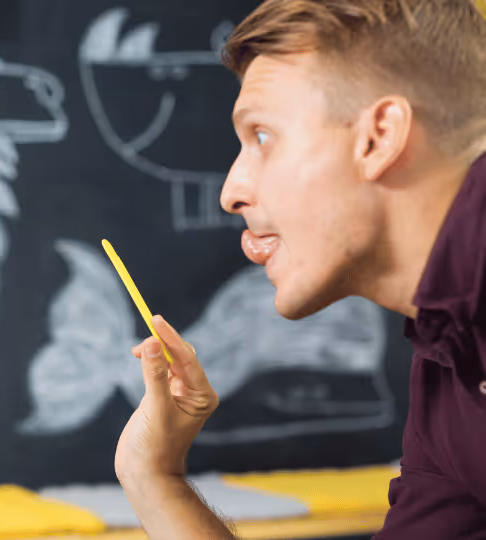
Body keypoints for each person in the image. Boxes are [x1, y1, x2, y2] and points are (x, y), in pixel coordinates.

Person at [113, 0, 486, 538]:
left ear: (378, 137)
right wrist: (153, 477)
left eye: (262, 136)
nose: (230, 192)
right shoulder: (448, 362)